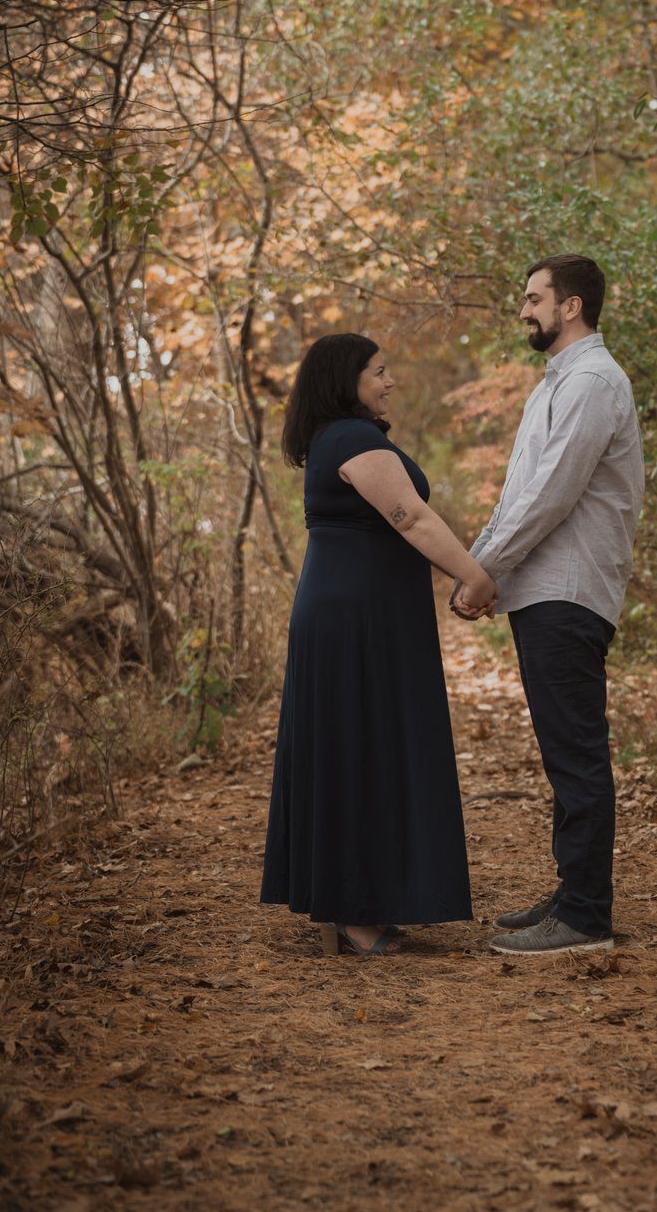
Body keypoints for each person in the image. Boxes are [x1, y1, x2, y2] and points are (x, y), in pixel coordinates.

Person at [261, 332, 497, 956]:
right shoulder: (351, 438)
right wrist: (473, 574)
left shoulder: (337, 438)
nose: (389, 381)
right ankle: (356, 915)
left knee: (365, 750)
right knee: (360, 751)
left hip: (361, 615)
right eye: (379, 372)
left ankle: (364, 904)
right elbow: (411, 518)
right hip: (355, 622)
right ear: (347, 380)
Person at [453, 255, 644, 955]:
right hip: (545, 590)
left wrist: (482, 570)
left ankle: (587, 914)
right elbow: (519, 494)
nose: (523, 310)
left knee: (577, 755)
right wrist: (483, 564)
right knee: (564, 754)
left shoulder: (593, 381)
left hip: (569, 589)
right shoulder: (558, 383)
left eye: (534, 298)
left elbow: (551, 494)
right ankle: (573, 891)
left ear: (570, 306)